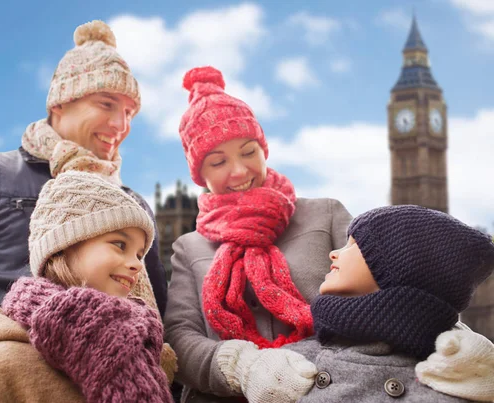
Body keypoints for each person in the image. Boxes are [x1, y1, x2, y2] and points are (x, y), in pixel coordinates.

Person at [164, 66, 494, 402]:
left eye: (248, 152)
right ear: (198, 173)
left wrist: (457, 345)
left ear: (264, 149)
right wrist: (244, 368)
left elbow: (398, 285)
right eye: (218, 162)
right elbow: (179, 339)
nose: (238, 170)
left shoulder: (325, 213)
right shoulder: (189, 247)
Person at [0, 20, 167, 402]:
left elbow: (162, 325)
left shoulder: (133, 206)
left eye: (130, 113)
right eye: (106, 104)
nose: (120, 124)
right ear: (60, 101)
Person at [221, 205, 494, 402]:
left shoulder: (459, 375)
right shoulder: (293, 367)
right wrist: (247, 367)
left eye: (353, 244)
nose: (334, 253)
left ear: (402, 267)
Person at [0, 171, 175, 402]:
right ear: (64, 246)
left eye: (140, 254)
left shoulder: (143, 351)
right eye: (120, 244)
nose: (137, 265)